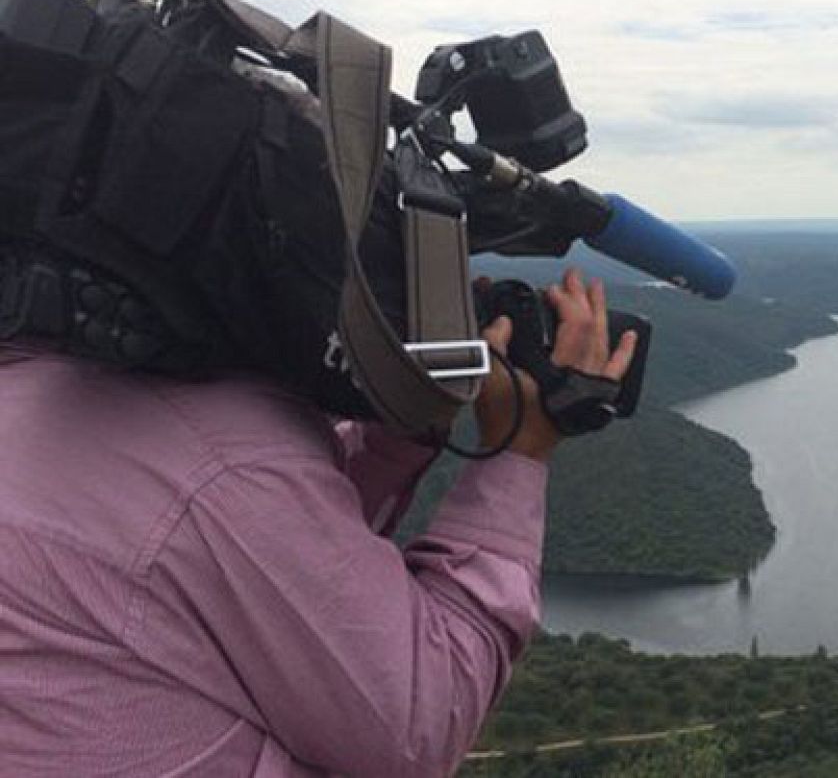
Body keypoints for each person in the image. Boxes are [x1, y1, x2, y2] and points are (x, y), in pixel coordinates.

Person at [0, 265, 636, 777]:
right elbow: (424, 722)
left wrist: (412, 416)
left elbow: (272, 557)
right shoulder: (221, 463)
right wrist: (520, 451)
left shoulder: (30, 396)